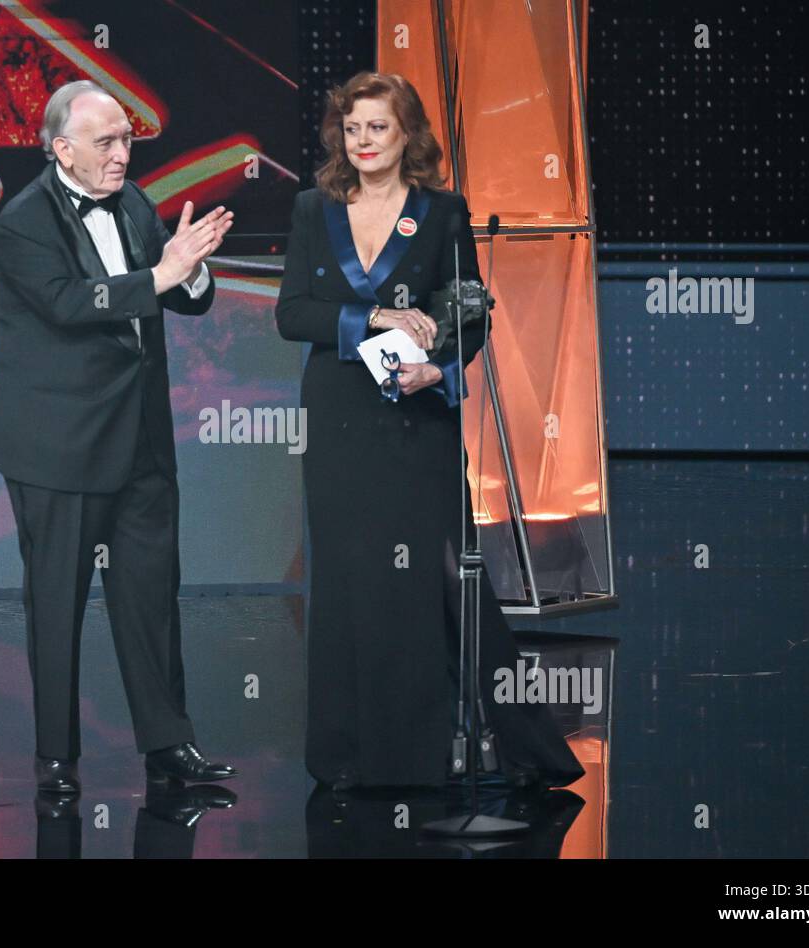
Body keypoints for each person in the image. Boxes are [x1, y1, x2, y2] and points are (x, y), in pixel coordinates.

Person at [275, 71, 585, 790]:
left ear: (407, 134)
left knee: (429, 583)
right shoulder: (311, 208)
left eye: (377, 129)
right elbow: (294, 314)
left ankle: (423, 755)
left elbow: (470, 315)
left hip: (416, 423)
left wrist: (436, 370)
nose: (363, 143)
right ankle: (347, 757)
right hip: (340, 424)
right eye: (352, 130)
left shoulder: (442, 212)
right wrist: (373, 318)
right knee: (353, 583)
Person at [0, 80, 237, 795]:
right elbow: (67, 304)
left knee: (151, 598)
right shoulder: (25, 221)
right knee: (57, 604)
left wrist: (192, 267)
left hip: (141, 441)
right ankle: (56, 759)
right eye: (107, 142)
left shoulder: (136, 203)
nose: (123, 153)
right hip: (58, 445)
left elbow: (182, 292)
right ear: (62, 149)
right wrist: (162, 273)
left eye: (126, 140)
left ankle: (168, 745)